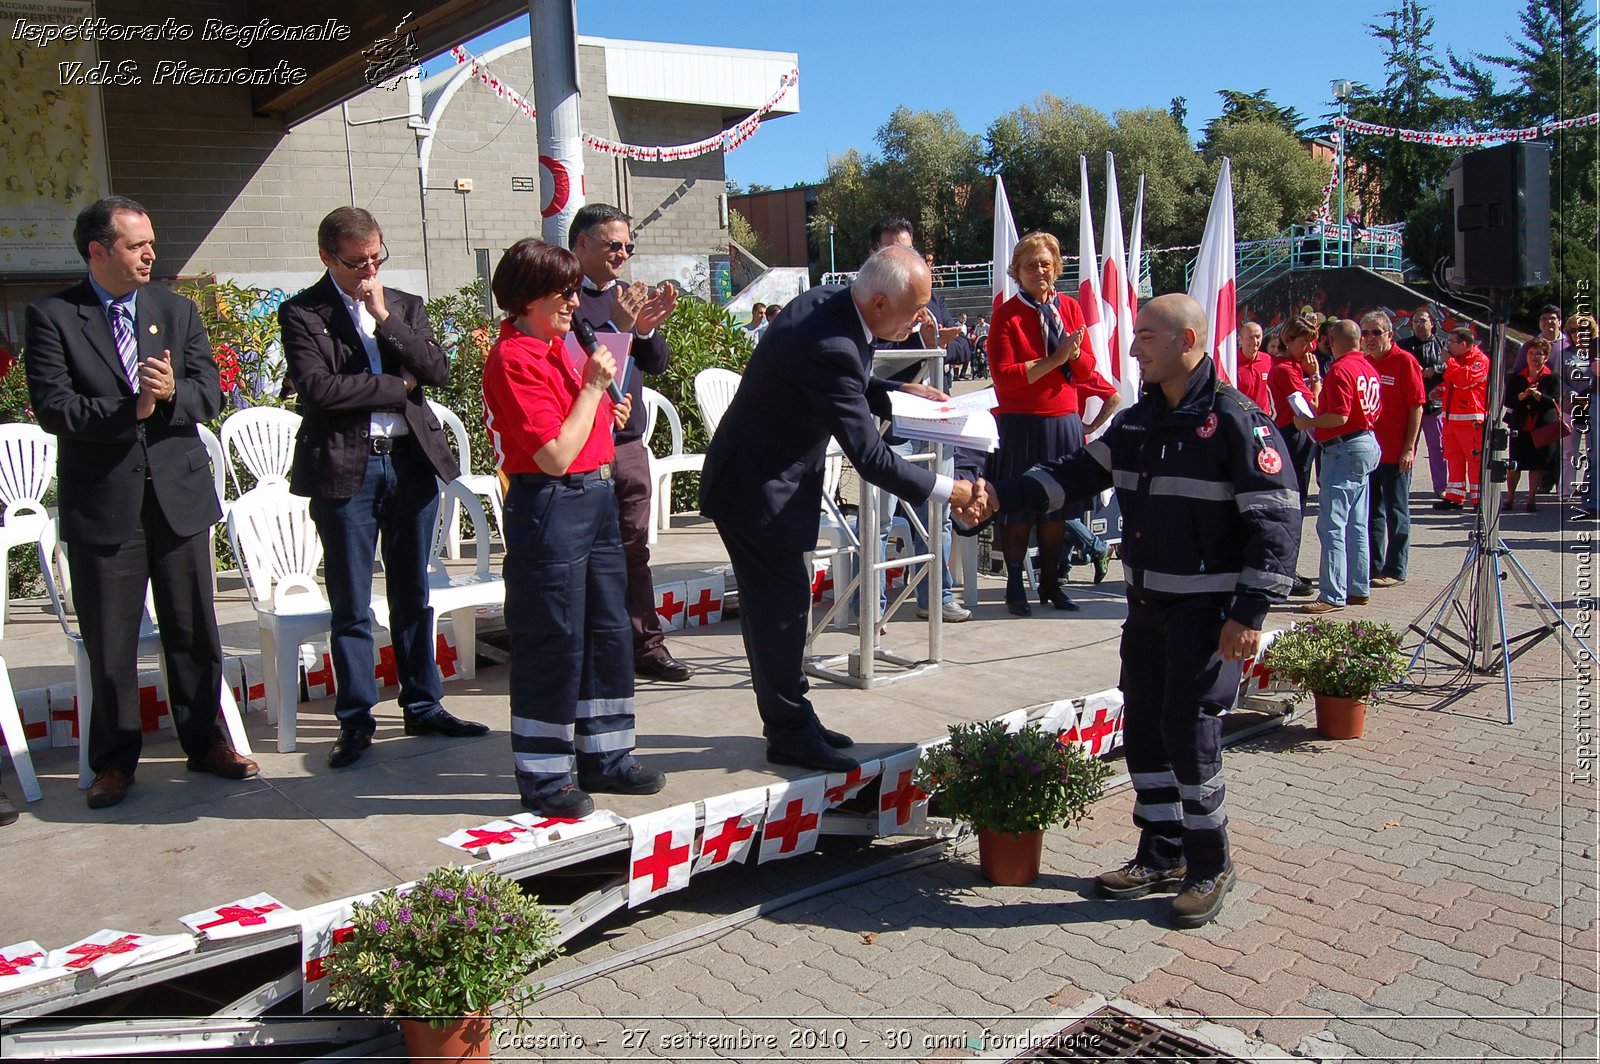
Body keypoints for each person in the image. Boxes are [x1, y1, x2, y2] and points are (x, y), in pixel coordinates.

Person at [957, 293, 1300, 929]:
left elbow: (1276, 519)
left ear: (1189, 342)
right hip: (1147, 609)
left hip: (1208, 612)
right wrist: (995, 496)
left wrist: (1250, 612)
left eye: (1147, 336)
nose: (1134, 347)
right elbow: (1069, 477)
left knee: (1188, 730)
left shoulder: (1235, 421)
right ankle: (1160, 852)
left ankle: (1209, 862)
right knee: (1143, 726)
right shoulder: (1139, 423)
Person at [700, 247, 977, 774]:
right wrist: (951, 490)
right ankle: (788, 731)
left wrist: (894, 391)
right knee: (779, 614)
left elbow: (846, 381)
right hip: (756, 491)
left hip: (770, 481)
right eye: (915, 310)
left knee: (782, 610)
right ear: (878, 301)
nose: (923, 319)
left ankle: (793, 716)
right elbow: (871, 459)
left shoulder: (832, 305)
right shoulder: (830, 342)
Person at [24, 196, 257, 808]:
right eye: (135, 245)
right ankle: (114, 763)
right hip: (105, 502)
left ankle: (206, 742)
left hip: (177, 494)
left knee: (193, 630)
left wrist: (174, 394)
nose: (150, 254)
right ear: (98, 251)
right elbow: (55, 408)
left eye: (151, 242)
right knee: (111, 640)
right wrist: (134, 408)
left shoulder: (175, 312)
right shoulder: (52, 317)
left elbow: (210, 394)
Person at [280, 207, 488, 770]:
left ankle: (423, 703)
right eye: (356, 263)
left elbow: (438, 370)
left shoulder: (402, 304)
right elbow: (318, 390)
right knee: (350, 601)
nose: (368, 270)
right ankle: (355, 719)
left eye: (377, 257)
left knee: (412, 595)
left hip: (409, 463)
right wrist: (396, 385)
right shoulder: (303, 312)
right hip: (347, 468)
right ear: (328, 258)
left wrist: (383, 318)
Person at [481, 239, 666, 815]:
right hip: (551, 504)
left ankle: (606, 757)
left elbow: (579, 425)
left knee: (607, 630)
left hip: (596, 496)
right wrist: (589, 389)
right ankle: (545, 776)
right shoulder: (513, 358)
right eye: (562, 292)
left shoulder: (561, 344)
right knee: (553, 637)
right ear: (527, 297)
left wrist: (604, 409)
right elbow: (553, 455)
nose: (572, 302)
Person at [567, 204, 693, 683]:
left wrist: (644, 328)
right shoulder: (563, 300)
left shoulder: (624, 298)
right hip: (580, 447)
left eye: (627, 246)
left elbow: (654, 362)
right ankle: (592, 651)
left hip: (627, 445)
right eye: (612, 244)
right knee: (584, 556)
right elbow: (583, 366)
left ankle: (646, 646)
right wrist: (619, 328)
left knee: (634, 550)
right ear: (581, 244)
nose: (622, 254)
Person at [986, 231, 1101, 616]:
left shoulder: (1069, 307)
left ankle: (1052, 583)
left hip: (1063, 420)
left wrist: (1075, 353)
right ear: (1017, 271)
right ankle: (1015, 583)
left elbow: (1086, 369)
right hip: (1021, 423)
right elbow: (1005, 376)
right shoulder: (1005, 313)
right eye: (1032, 264)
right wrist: (1056, 359)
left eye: (1047, 263)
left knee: (1057, 511)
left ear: (1057, 268)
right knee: (1018, 508)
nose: (1040, 270)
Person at [864, 216, 969, 625]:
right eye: (894, 251)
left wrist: (934, 340)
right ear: (875, 256)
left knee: (937, 513)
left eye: (909, 250)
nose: (903, 259)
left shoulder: (928, 295)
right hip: (888, 421)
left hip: (931, 421)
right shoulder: (867, 300)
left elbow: (958, 350)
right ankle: (869, 604)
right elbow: (867, 355)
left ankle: (935, 596)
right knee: (880, 515)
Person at [1294, 320, 1381, 614]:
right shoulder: (1367, 367)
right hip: (1366, 441)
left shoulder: (1341, 369)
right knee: (1356, 523)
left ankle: (1332, 593)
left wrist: (1309, 422)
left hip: (1344, 447)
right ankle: (1358, 587)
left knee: (1332, 524)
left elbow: (1339, 416)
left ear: (1332, 340)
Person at [1362, 312, 1424, 588]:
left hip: (1396, 451)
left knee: (1396, 511)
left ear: (1389, 334)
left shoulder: (1404, 362)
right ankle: (1373, 565)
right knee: (1371, 511)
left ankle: (1396, 568)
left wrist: (1409, 448)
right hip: (1369, 452)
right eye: (1365, 333)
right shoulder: (1364, 363)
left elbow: (1416, 406)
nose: (1370, 339)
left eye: (1376, 332)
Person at [1266, 317, 1322, 597]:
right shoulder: (1287, 370)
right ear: (1289, 341)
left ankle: (1288, 568)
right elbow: (1309, 409)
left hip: (1293, 436)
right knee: (1294, 505)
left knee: (1296, 503)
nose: (1309, 347)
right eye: (1304, 341)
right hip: (1291, 435)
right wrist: (1316, 378)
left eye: (1311, 341)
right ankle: (1286, 572)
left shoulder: (1290, 367)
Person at [1432, 328, 1490, 512]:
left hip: (1471, 419)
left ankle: (1479, 500)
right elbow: (1452, 383)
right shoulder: (1457, 361)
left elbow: (1465, 380)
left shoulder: (1479, 360)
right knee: (1453, 459)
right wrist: (1440, 391)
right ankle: (1455, 497)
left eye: (1451, 342)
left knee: (1475, 461)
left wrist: (1448, 361)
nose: (1447, 346)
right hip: (1451, 419)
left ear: (1463, 343)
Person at [1504, 338, 1561, 512]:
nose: (1534, 357)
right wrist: (1520, 397)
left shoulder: (1552, 378)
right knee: (1515, 463)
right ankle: (1510, 498)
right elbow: (1508, 401)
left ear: (1546, 357)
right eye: (1531, 353)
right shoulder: (1516, 377)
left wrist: (1539, 397)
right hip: (1520, 426)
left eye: (1538, 354)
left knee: (1537, 464)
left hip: (1541, 426)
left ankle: (1530, 499)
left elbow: (1555, 401)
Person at [1400, 305, 1448, 497]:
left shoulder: (1442, 344)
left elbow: (1453, 364)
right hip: (1409, 405)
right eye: (1415, 322)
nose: (1419, 325)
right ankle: (1403, 485)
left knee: (1437, 448)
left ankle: (1441, 487)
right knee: (1407, 446)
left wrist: (1435, 369)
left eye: (1422, 321)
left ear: (1432, 324)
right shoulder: (1403, 345)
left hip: (1433, 406)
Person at [1558, 313, 1596, 500]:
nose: (1578, 334)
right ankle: (1567, 489)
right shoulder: (1564, 354)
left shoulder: (1596, 354)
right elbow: (1557, 380)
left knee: (1593, 452)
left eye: (1583, 330)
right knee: (1570, 452)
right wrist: (1571, 393)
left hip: (1594, 408)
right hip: (1570, 407)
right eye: (1574, 330)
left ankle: (1589, 488)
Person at [1233, 322, 1273, 414]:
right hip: (1241, 418)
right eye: (1251, 337)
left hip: (1263, 418)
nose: (1255, 341)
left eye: (1258, 337)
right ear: (1240, 339)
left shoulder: (1267, 359)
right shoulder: (1233, 362)